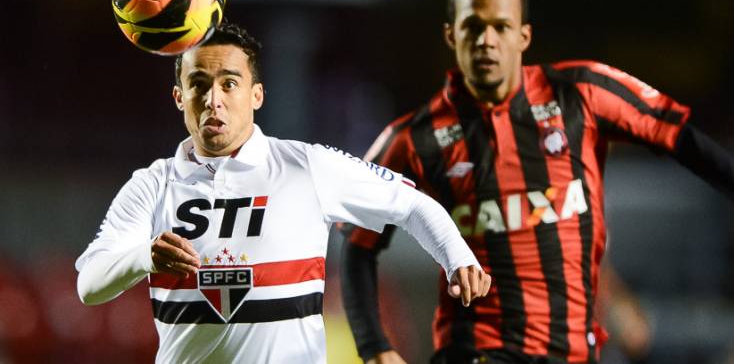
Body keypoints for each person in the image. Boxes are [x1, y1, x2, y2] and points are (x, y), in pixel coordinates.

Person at [340, 0, 734, 364]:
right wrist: (374, 345)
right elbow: (357, 243)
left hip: (572, 350)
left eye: (501, 27)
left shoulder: (580, 93)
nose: (487, 41)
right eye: (474, 27)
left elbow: (680, 139)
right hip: (476, 349)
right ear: (452, 36)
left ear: (524, 36)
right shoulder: (415, 138)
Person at [75, 23, 491, 364]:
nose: (213, 100)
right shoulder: (151, 185)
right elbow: (89, 285)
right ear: (179, 97)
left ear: (256, 94)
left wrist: (458, 258)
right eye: (199, 85)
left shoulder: (306, 166)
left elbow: (412, 204)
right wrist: (143, 256)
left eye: (229, 84)